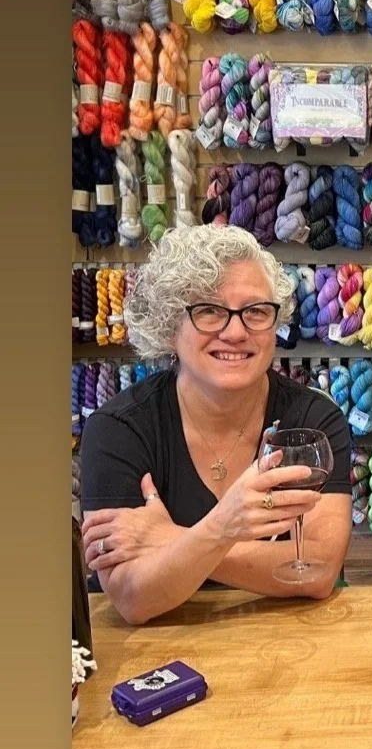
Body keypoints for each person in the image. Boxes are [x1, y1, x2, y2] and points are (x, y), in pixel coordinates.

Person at [80, 225, 353, 624]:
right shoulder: (118, 429)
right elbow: (132, 598)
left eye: (256, 311)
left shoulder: (313, 421)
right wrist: (222, 529)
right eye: (209, 310)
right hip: (159, 652)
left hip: (291, 642)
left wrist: (171, 539)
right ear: (170, 326)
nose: (237, 331)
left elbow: (318, 571)